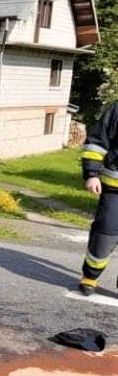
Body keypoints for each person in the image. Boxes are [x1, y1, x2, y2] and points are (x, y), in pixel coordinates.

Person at [79, 101, 118, 295]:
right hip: (114, 190)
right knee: (105, 234)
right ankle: (90, 277)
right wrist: (92, 174)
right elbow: (97, 142)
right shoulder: (117, 108)